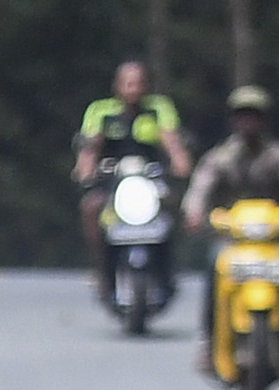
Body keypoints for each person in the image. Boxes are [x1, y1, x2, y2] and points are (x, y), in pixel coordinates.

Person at [182, 86, 279, 359]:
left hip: (274, 239)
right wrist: (194, 212)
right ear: (233, 121)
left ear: (265, 120)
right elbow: (201, 186)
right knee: (215, 269)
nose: (248, 122)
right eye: (242, 116)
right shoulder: (220, 157)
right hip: (231, 239)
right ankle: (210, 341)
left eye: (254, 116)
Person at [72, 61, 190, 307]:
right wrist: (85, 169)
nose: (134, 89)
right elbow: (90, 148)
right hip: (113, 181)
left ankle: (168, 264)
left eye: (139, 83)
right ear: (117, 86)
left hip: (150, 180)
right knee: (91, 208)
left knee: (173, 206)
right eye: (128, 83)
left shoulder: (158, 108)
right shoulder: (101, 111)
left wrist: (180, 162)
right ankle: (102, 269)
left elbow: (172, 141)